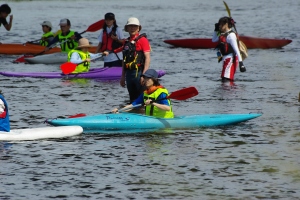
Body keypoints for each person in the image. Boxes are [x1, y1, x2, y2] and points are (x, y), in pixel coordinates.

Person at [114, 17, 151, 103]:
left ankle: (142, 113)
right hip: (129, 74)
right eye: (130, 26)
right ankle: (133, 112)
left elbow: (148, 58)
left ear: (138, 28)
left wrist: (144, 75)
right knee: (132, 98)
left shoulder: (143, 40)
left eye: (135, 26)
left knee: (141, 98)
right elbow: (124, 60)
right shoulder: (126, 42)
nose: (132, 28)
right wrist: (122, 77)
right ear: (127, 28)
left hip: (139, 73)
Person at [212, 16, 246, 82]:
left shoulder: (231, 35)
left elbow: (236, 50)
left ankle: (230, 91)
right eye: (219, 25)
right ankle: (228, 91)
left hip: (231, 59)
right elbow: (213, 40)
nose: (220, 26)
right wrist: (215, 30)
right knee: (224, 79)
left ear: (226, 24)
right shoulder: (222, 34)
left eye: (221, 25)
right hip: (225, 59)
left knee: (226, 79)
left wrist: (241, 63)